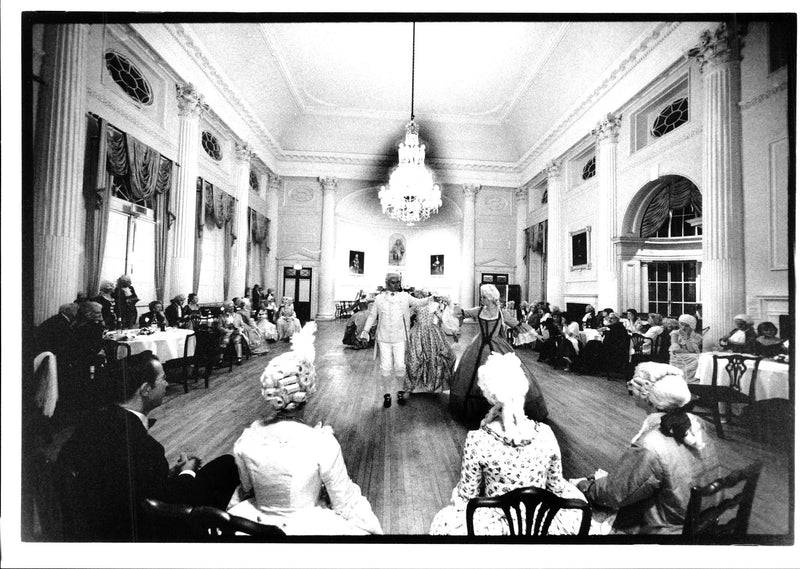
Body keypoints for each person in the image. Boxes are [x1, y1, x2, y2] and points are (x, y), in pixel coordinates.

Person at [56, 351, 240, 541]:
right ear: (145, 389)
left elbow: (126, 478)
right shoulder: (146, 447)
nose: (167, 384)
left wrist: (166, 474)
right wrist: (188, 471)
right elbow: (169, 501)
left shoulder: (92, 422)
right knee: (228, 465)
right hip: (137, 530)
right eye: (163, 379)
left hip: (93, 518)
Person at [228, 323, 383, 535]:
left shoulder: (249, 438)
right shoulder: (321, 443)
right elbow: (344, 503)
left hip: (253, 525)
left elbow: (247, 489)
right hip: (307, 527)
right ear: (307, 393)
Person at [430, 353, 588, 535]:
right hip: (542, 522)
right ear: (522, 389)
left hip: (496, 525)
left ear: (489, 394)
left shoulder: (477, 439)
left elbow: (468, 495)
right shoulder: (546, 433)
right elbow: (555, 488)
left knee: (444, 523)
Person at [575, 372, 721, 534]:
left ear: (650, 400)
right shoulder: (698, 425)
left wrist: (588, 487)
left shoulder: (651, 444)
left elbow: (617, 492)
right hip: (703, 520)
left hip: (670, 531)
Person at [449, 284, 548, 426]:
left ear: (490, 298)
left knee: (502, 377)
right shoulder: (478, 311)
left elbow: (517, 324)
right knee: (475, 376)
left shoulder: (502, 313)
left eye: (483, 297)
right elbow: (461, 312)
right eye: (482, 296)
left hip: (497, 347)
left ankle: (504, 409)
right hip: (478, 346)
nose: (481, 299)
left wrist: (535, 333)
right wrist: (449, 303)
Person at [360, 273, 434, 408]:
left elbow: (419, 302)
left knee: (400, 366)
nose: (396, 285)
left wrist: (432, 298)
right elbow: (372, 316)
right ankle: (387, 394)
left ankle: (400, 392)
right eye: (393, 282)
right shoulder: (379, 299)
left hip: (400, 337)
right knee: (386, 367)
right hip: (383, 338)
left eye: (398, 282)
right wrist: (365, 331)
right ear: (387, 283)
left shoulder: (405, 297)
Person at [404, 293, 456, 395]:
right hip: (426, 332)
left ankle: (422, 386)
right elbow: (442, 318)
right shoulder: (423, 306)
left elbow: (442, 318)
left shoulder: (425, 306)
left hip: (422, 332)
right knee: (425, 357)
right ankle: (426, 386)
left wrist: (452, 328)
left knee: (423, 357)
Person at [669, 314, 703, 381]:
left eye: (686, 326)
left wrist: (686, 338)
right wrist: (689, 351)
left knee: (702, 359)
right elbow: (675, 349)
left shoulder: (696, 337)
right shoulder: (675, 334)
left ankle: (695, 381)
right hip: (678, 357)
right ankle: (688, 380)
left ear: (691, 327)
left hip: (691, 356)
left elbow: (692, 350)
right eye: (681, 324)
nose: (683, 327)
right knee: (697, 359)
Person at [216, 300, 245, 364]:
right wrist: (226, 331)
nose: (231, 308)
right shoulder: (222, 317)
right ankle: (220, 359)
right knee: (224, 341)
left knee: (237, 340)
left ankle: (239, 358)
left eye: (232, 307)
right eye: (229, 307)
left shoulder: (238, 316)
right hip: (227, 333)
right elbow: (219, 327)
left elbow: (242, 326)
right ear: (226, 308)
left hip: (236, 333)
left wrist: (240, 329)